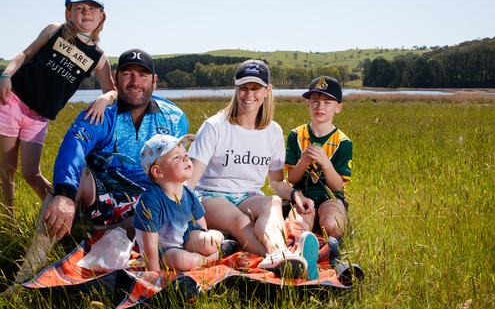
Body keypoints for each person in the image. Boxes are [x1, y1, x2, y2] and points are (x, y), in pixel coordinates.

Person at [5, 49, 188, 292]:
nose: (135, 82)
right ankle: (24, 277)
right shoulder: (101, 111)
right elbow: (75, 144)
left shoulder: (175, 118)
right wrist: (64, 194)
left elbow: (178, 170)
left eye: (143, 76)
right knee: (70, 185)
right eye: (127, 74)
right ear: (115, 78)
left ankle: (131, 255)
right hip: (99, 201)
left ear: (154, 81)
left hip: (144, 210)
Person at [0, 0, 117, 212]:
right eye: (79, 7)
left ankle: (66, 214)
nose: (86, 13)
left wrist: (104, 99)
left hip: (39, 116)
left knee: (31, 173)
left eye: (92, 8)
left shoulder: (99, 58)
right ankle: (7, 222)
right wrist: (6, 75)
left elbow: (112, 91)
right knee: (7, 169)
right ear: (68, 13)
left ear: (101, 16)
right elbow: (26, 54)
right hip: (13, 101)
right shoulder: (55, 30)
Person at [187, 59, 319, 279]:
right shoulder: (215, 126)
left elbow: (276, 183)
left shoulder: (273, 131)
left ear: (267, 90)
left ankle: (280, 255)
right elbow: (190, 181)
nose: (249, 95)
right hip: (211, 196)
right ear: (236, 89)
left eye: (255, 88)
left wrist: (295, 194)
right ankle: (285, 256)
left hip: (248, 196)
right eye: (243, 88)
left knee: (273, 202)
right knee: (242, 221)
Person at [135, 134, 233, 271]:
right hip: (164, 250)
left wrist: (204, 241)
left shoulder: (187, 192)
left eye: (185, 154)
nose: (186, 158)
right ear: (158, 171)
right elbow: (149, 242)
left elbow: (200, 223)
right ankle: (212, 257)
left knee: (208, 243)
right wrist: (154, 273)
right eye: (177, 157)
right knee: (180, 261)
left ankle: (221, 236)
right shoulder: (150, 200)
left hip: (187, 237)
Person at [285, 76, 352, 267]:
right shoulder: (296, 135)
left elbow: (338, 186)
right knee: (298, 228)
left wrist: (325, 163)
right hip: (302, 196)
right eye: (315, 101)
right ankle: (299, 254)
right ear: (308, 104)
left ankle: (330, 251)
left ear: (338, 107)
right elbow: (292, 178)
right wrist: (302, 163)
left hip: (329, 197)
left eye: (327, 102)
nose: (320, 107)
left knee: (332, 225)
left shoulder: (343, 142)